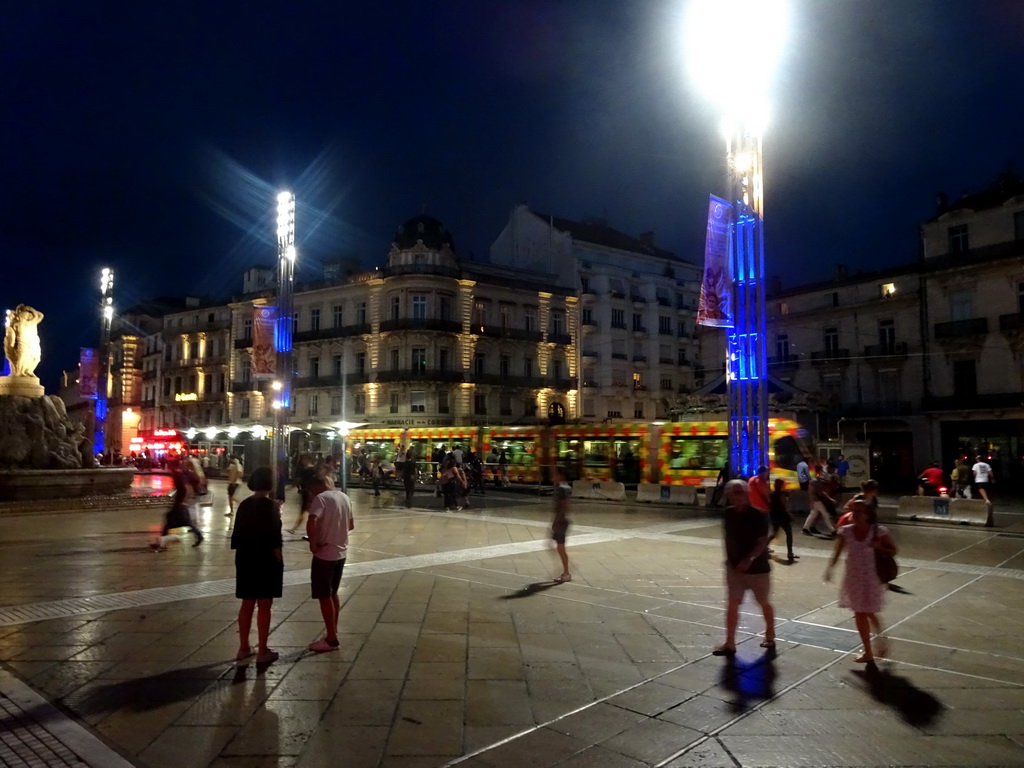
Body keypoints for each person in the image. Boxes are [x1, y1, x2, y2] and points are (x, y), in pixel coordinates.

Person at [824, 500, 897, 664]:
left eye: (859, 511)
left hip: (872, 578)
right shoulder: (846, 531)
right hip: (854, 578)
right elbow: (837, 551)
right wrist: (830, 569)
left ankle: (880, 638)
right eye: (853, 510)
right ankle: (869, 650)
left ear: (868, 515)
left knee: (869, 611)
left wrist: (879, 547)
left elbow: (893, 550)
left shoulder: (879, 531)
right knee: (859, 612)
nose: (855, 514)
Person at [713, 480, 775, 656]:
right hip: (734, 569)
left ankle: (770, 633)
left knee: (763, 602)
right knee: (733, 603)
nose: (738, 496)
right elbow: (727, 537)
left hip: (758, 569)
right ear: (729, 496)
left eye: (741, 492)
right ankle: (730, 642)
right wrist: (729, 561)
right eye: (734, 493)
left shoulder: (759, 515)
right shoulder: (728, 514)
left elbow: (762, 541)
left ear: (748, 494)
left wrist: (750, 558)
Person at [230, 467, 283, 665]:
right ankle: (262, 649)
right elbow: (275, 539)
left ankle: (244, 647)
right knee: (265, 604)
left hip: (245, 558)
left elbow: (236, 537)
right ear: (270, 484)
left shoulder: (244, 505)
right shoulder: (271, 506)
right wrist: (279, 561)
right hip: (265, 559)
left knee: (247, 603)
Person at [305, 476, 354, 653]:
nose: (312, 495)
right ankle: (332, 630)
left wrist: (313, 542)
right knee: (333, 593)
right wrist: (335, 532)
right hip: (341, 553)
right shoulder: (344, 497)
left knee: (324, 596)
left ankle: (332, 639)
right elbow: (351, 525)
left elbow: (312, 520)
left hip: (325, 554)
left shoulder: (322, 498)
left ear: (317, 486)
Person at [150, 458, 205, 550]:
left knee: (177, 520)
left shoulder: (178, 475)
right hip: (180, 500)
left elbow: (188, 488)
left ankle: (162, 542)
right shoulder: (182, 473)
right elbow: (197, 482)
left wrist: (185, 501)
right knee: (176, 520)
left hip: (181, 500)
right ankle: (162, 542)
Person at [551, 466, 572, 583]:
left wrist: (557, 521)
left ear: (560, 475)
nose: (552, 477)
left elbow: (564, 506)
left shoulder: (562, 489)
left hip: (561, 521)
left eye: (554, 474)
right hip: (562, 520)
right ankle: (565, 570)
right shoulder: (565, 487)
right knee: (559, 548)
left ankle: (566, 573)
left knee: (560, 548)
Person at [802, 467, 837, 537]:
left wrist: (811, 501)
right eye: (822, 471)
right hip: (817, 500)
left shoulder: (814, 480)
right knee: (825, 515)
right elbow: (820, 492)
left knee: (813, 514)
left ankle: (805, 528)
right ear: (820, 471)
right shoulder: (817, 481)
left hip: (815, 500)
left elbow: (810, 491)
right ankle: (833, 530)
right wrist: (829, 499)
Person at [768, 478, 796, 563]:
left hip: (774, 516)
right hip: (783, 516)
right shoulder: (782, 494)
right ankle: (790, 553)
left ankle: (763, 549)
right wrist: (790, 515)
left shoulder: (771, 494)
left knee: (774, 534)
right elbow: (785, 505)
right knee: (789, 534)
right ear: (781, 485)